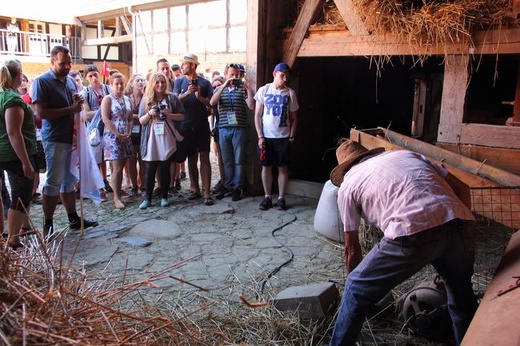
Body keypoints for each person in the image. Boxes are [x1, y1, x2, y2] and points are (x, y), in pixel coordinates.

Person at [328, 140, 479, 346]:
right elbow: (463, 187)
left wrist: (363, 289)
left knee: (355, 286)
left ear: (345, 168)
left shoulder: (349, 184)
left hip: (412, 228)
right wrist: (458, 224)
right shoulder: (407, 155)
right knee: (461, 298)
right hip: (461, 222)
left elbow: (351, 248)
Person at [32, 45, 98, 237]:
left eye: (69, 63)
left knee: (69, 180)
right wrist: (70, 110)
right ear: (53, 62)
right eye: (63, 63)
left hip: (72, 136)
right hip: (55, 137)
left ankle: (73, 218)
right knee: (53, 181)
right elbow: (41, 112)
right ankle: (49, 223)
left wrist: (76, 101)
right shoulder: (42, 82)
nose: (67, 67)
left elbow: (73, 104)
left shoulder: (69, 81)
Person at [0, 59, 37, 250]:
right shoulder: (12, 99)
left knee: (13, 195)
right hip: (13, 154)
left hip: (6, 152)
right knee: (21, 195)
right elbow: (14, 131)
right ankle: (13, 239)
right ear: (19, 74)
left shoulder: (2, 96)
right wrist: (25, 162)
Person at [254, 62, 299, 211]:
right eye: (282, 75)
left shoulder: (290, 93)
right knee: (266, 167)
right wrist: (260, 136)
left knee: (282, 168)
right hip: (266, 137)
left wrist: (291, 137)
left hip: (283, 137)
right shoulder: (264, 90)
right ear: (274, 74)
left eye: (287, 76)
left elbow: (294, 118)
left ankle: (281, 198)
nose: (285, 78)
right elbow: (257, 115)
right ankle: (267, 197)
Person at [138, 72, 184, 209]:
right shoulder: (146, 100)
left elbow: (181, 116)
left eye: (163, 82)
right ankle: (148, 198)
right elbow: (141, 120)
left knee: (166, 167)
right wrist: (150, 113)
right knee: (150, 168)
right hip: (151, 137)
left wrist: (168, 114)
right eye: (157, 82)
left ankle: (165, 196)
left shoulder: (172, 98)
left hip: (167, 136)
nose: (160, 85)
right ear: (152, 84)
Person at [173, 53, 214, 206]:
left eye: (184, 64)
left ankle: (207, 192)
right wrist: (187, 93)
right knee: (191, 158)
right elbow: (175, 100)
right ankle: (195, 189)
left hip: (202, 124)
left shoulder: (205, 83)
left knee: (205, 157)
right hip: (186, 125)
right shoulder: (178, 82)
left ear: (192, 65)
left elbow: (212, 104)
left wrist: (199, 97)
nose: (182, 66)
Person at [209, 63, 254, 201]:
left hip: (239, 129)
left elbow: (251, 106)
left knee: (239, 160)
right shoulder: (219, 90)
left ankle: (237, 187)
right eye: (232, 74)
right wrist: (224, 86)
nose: (235, 77)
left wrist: (248, 89)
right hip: (223, 129)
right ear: (226, 74)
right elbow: (212, 102)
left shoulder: (242, 90)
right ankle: (228, 186)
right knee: (227, 161)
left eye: (237, 75)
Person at [101, 72, 133, 209]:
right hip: (113, 136)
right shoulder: (108, 99)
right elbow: (106, 118)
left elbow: (130, 118)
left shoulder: (127, 99)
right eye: (116, 84)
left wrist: (129, 132)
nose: (119, 86)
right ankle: (116, 197)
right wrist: (117, 133)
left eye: (121, 83)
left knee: (122, 164)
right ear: (111, 85)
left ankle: (118, 190)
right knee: (117, 167)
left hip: (126, 134)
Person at [81, 64, 113, 197]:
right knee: (96, 158)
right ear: (86, 78)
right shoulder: (86, 93)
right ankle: (98, 185)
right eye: (90, 76)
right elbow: (86, 114)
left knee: (107, 156)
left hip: (108, 128)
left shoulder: (107, 89)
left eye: (95, 75)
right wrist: (102, 111)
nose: (94, 78)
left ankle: (105, 180)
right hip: (94, 130)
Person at [124, 73, 146, 197]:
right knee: (131, 160)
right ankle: (134, 186)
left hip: (143, 132)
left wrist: (136, 117)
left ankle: (143, 185)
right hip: (131, 133)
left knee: (142, 160)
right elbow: (126, 115)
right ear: (132, 83)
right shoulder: (127, 98)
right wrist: (137, 117)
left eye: (142, 80)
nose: (140, 82)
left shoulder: (146, 97)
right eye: (138, 80)